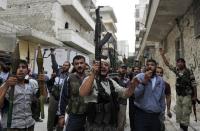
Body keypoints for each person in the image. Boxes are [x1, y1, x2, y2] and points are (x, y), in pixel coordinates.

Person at [79, 58, 136, 131]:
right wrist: (93, 73)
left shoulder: (111, 82)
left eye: (106, 65)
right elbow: (83, 93)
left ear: (109, 68)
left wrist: (134, 84)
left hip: (110, 124)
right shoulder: (90, 79)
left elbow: (125, 94)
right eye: (101, 64)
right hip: (94, 125)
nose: (103, 66)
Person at [0, 60, 44, 131]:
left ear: (27, 71)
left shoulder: (31, 84)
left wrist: (42, 83)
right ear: (13, 70)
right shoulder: (6, 85)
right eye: (18, 67)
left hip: (29, 124)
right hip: (12, 126)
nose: (20, 69)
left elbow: (42, 97)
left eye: (23, 67)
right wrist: (6, 85)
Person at [160, 48, 197, 131]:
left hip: (187, 95)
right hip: (179, 95)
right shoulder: (176, 70)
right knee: (179, 113)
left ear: (184, 63)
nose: (179, 63)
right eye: (178, 62)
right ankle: (181, 128)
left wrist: (195, 96)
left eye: (181, 62)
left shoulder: (189, 72)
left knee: (185, 112)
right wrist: (162, 55)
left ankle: (184, 129)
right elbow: (167, 64)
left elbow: (194, 84)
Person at [133, 59, 165, 131]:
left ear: (156, 66)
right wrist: (144, 82)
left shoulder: (160, 80)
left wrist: (162, 113)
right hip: (141, 114)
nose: (150, 66)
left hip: (155, 115)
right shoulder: (139, 77)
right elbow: (136, 95)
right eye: (148, 65)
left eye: (152, 65)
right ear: (145, 66)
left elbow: (162, 98)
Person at [57, 55, 87, 131]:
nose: (79, 65)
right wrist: (61, 116)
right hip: (74, 116)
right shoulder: (69, 78)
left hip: (89, 116)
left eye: (81, 63)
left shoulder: (90, 78)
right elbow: (62, 97)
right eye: (76, 64)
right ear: (73, 65)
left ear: (85, 64)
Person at [47, 49, 71, 131]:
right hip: (54, 97)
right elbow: (54, 64)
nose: (64, 66)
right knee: (51, 115)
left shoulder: (70, 76)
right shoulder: (58, 71)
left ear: (69, 67)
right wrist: (53, 54)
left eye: (66, 65)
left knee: (61, 117)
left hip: (63, 99)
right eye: (64, 65)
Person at [156, 66, 172, 131]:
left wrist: (168, 110)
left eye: (161, 72)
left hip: (160, 109)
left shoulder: (166, 85)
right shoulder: (149, 83)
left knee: (160, 125)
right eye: (157, 72)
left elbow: (168, 97)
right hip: (150, 109)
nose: (159, 74)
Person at [114, 64, 130, 131]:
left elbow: (128, 91)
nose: (123, 69)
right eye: (122, 68)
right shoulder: (113, 78)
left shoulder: (127, 80)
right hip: (113, 103)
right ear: (118, 69)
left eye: (125, 68)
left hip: (122, 103)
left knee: (121, 122)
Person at [129, 66, 141, 131]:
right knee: (132, 115)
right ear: (133, 71)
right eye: (135, 69)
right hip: (132, 98)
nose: (136, 70)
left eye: (137, 69)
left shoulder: (143, 78)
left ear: (140, 70)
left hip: (140, 99)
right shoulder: (130, 77)